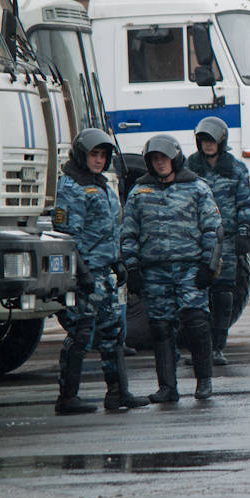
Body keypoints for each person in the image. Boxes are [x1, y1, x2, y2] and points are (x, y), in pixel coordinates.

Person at [52, 128, 150, 414]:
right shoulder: (71, 187)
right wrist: (81, 272)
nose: (99, 160)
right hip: (85, 275)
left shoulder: (103, 184)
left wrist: (118, 260)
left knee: (113, 333)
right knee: (81, 332)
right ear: (82, 155)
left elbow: (112, 228)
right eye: (94, 154)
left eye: (103, 155)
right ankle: (67, 397)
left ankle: (118, 393)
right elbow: (67, 236)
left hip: (105, 274)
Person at [122, 134, 223, 401]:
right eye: (155, 159)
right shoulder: (139, 192)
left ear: (175, 158)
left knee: (196, 322)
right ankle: (168, 387)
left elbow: (212, 229)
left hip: (190, 268)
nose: (160, 163)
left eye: (164, 158)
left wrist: (208, 266)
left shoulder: (197, 188)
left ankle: (204, 381)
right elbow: (129, 234)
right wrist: (132, 269)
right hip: (155, 272)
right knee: (160, 327)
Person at [187, 116, 250, 366]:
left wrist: (245, 232)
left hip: (226, 239)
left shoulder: (235, 169)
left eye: (212, 141)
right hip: (196, 240)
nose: (208, 145)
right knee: (196, 295)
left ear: (221, 142)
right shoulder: (191, 168)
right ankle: (198, 349)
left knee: (224, 294)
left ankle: (217, 346)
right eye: (203, 141)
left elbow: (245, 203)